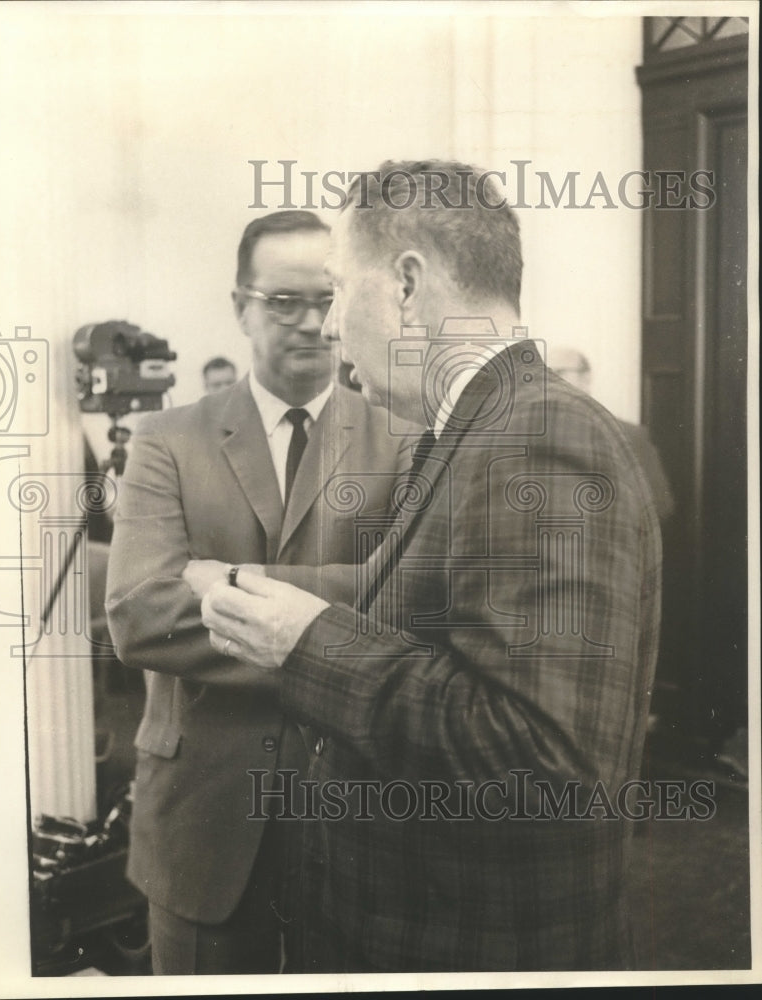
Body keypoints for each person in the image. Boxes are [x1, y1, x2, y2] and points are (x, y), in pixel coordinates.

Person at [199, 161, 663, 972]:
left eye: (341, 291)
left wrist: (305, 644)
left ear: (407, 286)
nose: (331, 326)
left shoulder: (538, 435)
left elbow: (544, 766)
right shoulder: (475, 430)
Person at [105, 209, 415, 974]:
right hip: (201, 818)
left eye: (327, 297)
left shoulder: (403, 437)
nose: (312, 324)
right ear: (239, 304)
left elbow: (411, 609)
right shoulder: (166, 438)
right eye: (283, 302)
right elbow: (140, 615)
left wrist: (224, 579)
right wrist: (343, 601)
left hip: (353, 810)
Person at [546, 345, 674, 522]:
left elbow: (660, 505)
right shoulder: (528, 439)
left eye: (559, 372)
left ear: (586, 378)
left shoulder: (629, 436)